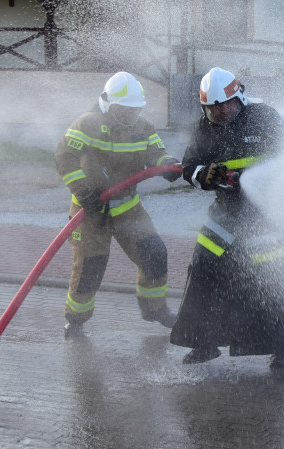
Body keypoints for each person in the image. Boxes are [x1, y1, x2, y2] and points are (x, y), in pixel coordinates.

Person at [170, 67, 284, 368]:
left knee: (269, 280)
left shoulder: (264, 117)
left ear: (240, 97)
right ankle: (203, 344)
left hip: (264, 216)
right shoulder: (204, 128)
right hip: (224, 213)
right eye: (214, 108)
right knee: (203, 270)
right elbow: (189, 167)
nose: (222, 112)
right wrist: (205, 176)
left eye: (227, 105)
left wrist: (264, 181)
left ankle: (280, 349)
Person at [54, 71, 181, 338]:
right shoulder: (87, 124)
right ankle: (75, 321)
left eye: (135, 110)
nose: (130, 115)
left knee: (154, 253)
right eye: (125, 109)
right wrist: (83, 192)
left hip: (128, 208)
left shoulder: (143, 127)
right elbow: (65, 157)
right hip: (91, 211)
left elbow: (156, 152)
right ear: (109, 104)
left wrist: (167, 164)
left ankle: (155, 309)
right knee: (90, 267)